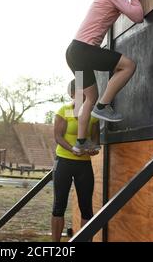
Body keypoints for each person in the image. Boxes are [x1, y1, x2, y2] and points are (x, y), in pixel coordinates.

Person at [65, 0, 144, 155]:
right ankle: (103, 106)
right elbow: (137, 16)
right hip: (84, 50)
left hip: (73, 52)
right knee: (128, 66)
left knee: (89, 98)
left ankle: (80, 142)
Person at [51, 79, 100, 242]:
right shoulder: (63, 111)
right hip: (64, 162)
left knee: (86, 207)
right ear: (71, 94)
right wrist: (72, 149)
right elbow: (57, 137)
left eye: (87, 93)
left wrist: (93, 149)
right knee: (59, 206)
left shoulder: (93, 114)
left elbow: (95, 140)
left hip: (84, 165)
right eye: (80, 93)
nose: (84, 96)